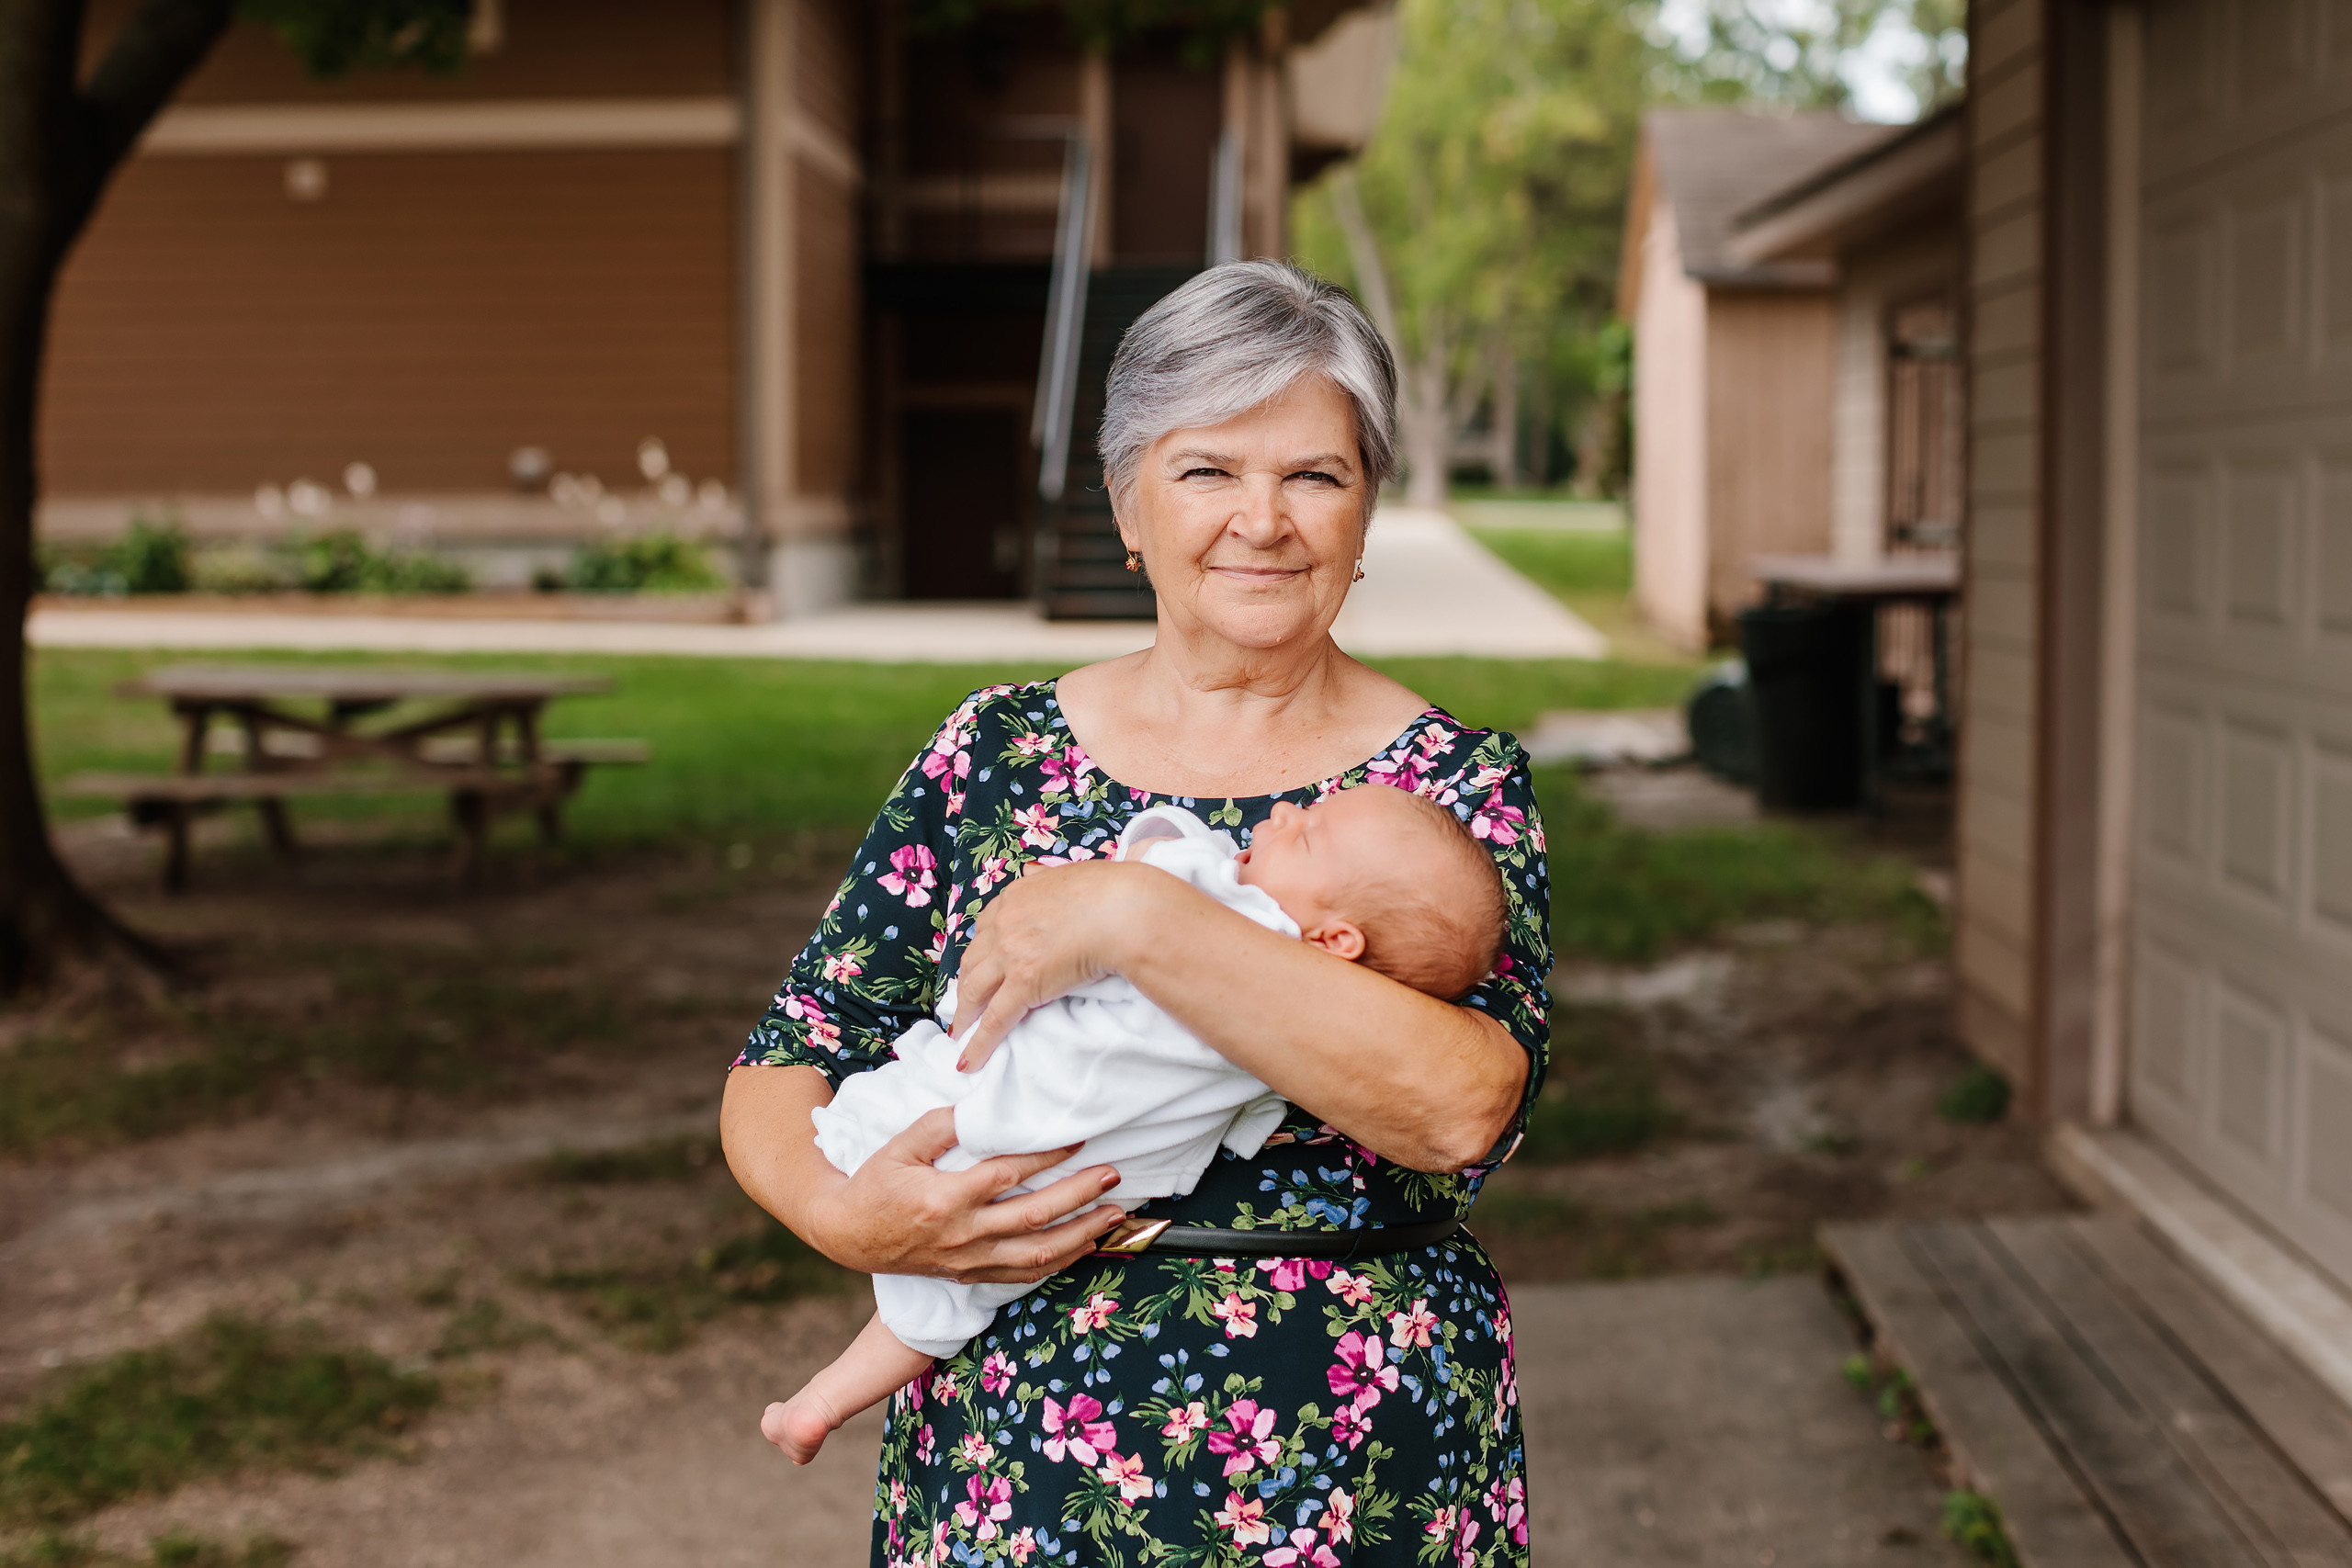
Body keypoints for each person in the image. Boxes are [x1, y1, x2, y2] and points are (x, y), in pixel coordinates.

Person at [722, 258, 1552, 1567]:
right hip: (1018, 1452)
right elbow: (785, 1061)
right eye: (1209, 470)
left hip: (1355, 1458)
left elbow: (1461, 1107)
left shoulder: (1447, 790)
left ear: (1366, 511)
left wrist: (1134, 916)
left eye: (1315, 476)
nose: (1262, 520)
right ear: (1127, 505)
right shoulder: (995, 750)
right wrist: (846, 1216)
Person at [761, 784, 1510, 1467]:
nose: (1284, 814)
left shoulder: (1242, 913)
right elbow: (791, 1045)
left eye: (1308, 835)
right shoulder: (1315, 1009)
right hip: (1068, 1177)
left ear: (1336, 940)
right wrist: (831, 1214)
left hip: (1023, 1139)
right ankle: (820, 1402)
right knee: (938, 1310)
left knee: (941, 1265)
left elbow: (1159, 854)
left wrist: (1132, 892)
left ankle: (820, 1400)